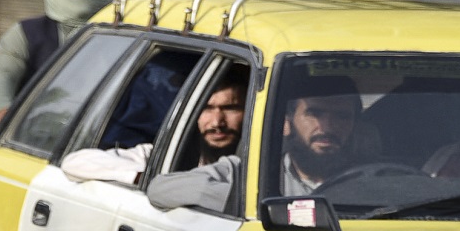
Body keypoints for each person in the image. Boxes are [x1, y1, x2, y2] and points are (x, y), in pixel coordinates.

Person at [148, 73, 357, 211]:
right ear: (286, 123)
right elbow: (160, 188)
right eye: (314, 114)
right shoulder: (249, 174)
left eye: (342, 116)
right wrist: (244, 203)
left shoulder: (379, 179)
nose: (327, 127)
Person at [62, 66, 248, 185]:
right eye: (207, 109)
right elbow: (76, 162)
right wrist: (145, 179)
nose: (217, 122)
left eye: (230, 108)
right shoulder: (170, 155)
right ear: (193, 113)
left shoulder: (266, 168)